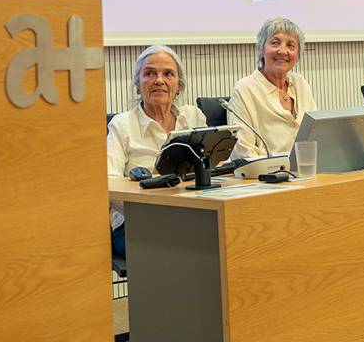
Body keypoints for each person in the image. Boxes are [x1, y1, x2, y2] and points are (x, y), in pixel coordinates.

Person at [106, 45, 205, 256]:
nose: (159, 80)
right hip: (135, 223)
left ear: (178, 86)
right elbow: (110, 183)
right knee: (185, 248)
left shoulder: (194, 118)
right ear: (137, 85)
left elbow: (212, 170)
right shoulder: (122, 124)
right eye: (149, 73)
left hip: (192, 216)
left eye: (168, 74)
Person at [228, 17, 317, 158]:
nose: (283, 51)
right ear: (261, 49)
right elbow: (243, 152)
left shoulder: (301, 84)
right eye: (275, 43)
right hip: (267, 176)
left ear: (297, 55)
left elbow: (316, 134)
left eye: (291, 45)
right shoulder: (245, 89)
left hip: (306, 172)